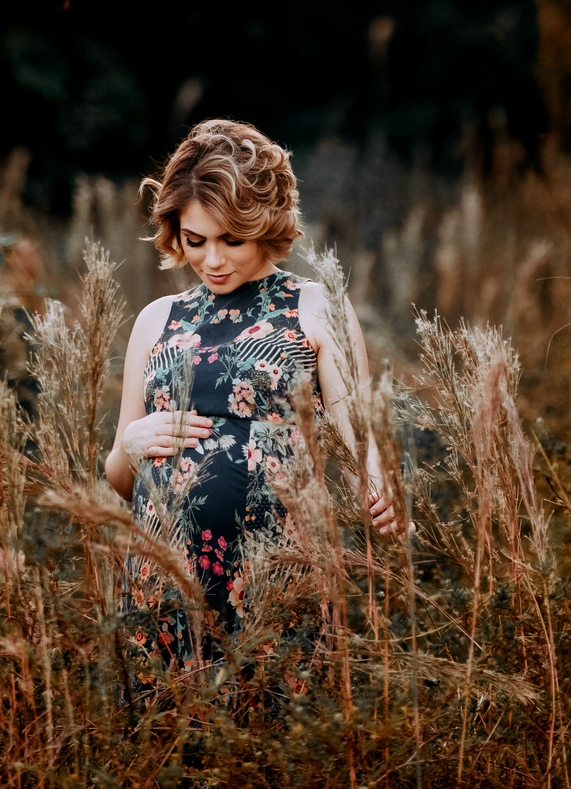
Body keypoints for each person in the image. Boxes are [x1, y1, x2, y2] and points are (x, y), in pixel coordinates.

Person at [105, 118, 400, 683]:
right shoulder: (156, 322)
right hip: (162, 585)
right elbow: (119, 481)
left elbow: (359, 437)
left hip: (274, 581)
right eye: (196, 241)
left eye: (231, 240)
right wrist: (131, 444)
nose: (213, 260)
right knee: (169, 750)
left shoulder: (312, 307)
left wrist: (380, 486)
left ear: (264, 225)